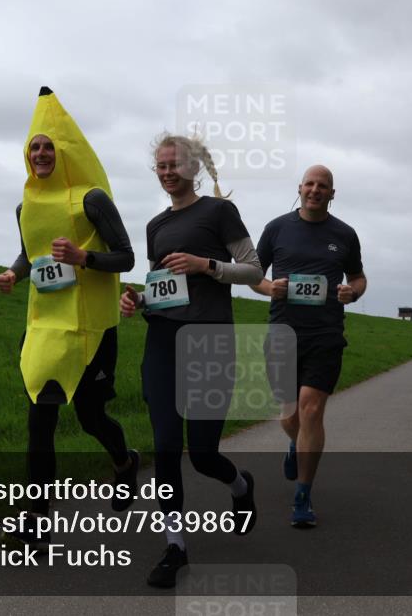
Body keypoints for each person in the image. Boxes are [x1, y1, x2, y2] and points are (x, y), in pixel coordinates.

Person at [0, 87, 138, 548]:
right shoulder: (25, 205)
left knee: (92, 416)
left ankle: (123, 461)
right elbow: (28, 253)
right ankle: (35, 521)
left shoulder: (91, 199)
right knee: (40, 421)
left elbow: (127, 257)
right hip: (44, 326)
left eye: (49, 146)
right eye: (34, 146)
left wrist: (83, 258)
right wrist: (14, 274)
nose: (40, 153)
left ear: (64, 151)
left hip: (92, 328)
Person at [120, 133, 263, 588]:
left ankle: (240, 485)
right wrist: (139, 299)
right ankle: (175, 546)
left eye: (175, 165)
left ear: (193, 167)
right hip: (162, 342)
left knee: (201, 454)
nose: (167, 172)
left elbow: (255, 270)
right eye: (161, 166)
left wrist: (207, 266)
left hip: (209, 342)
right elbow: (164, 289)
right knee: (165, 446)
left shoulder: (219, 212)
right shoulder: (155, 226)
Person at [251, 165, 366, 529]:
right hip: (283, 331)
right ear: (300, 188)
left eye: (324, 186)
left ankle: (303, 494)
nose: (316, 190)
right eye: (310, 184)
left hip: (326, 334)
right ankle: (295, 443)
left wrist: (354, 292)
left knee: (311, 409)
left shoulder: (344, 234)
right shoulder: (277, 228)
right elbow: (252, 272)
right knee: (288, 413)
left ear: (332, 194)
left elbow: (358, 277)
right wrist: (269, 288)